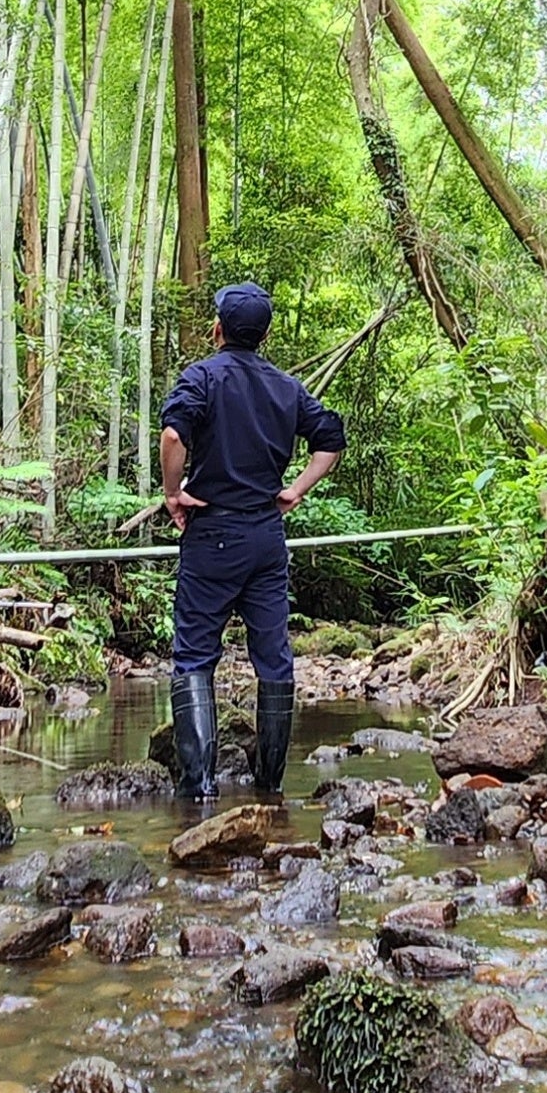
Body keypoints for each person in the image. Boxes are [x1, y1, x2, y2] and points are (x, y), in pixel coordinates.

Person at [156, 281, 344, 802]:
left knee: (195, 656)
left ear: (218, 328)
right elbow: (330, 440)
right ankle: (270, 785)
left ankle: (199, 788)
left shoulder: (202, 378)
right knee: (273, 657)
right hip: (266, 535)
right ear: (263, 334)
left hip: (211, 532)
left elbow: (174, 436)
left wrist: (173, 494)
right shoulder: (286, 388)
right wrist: (295, 491)